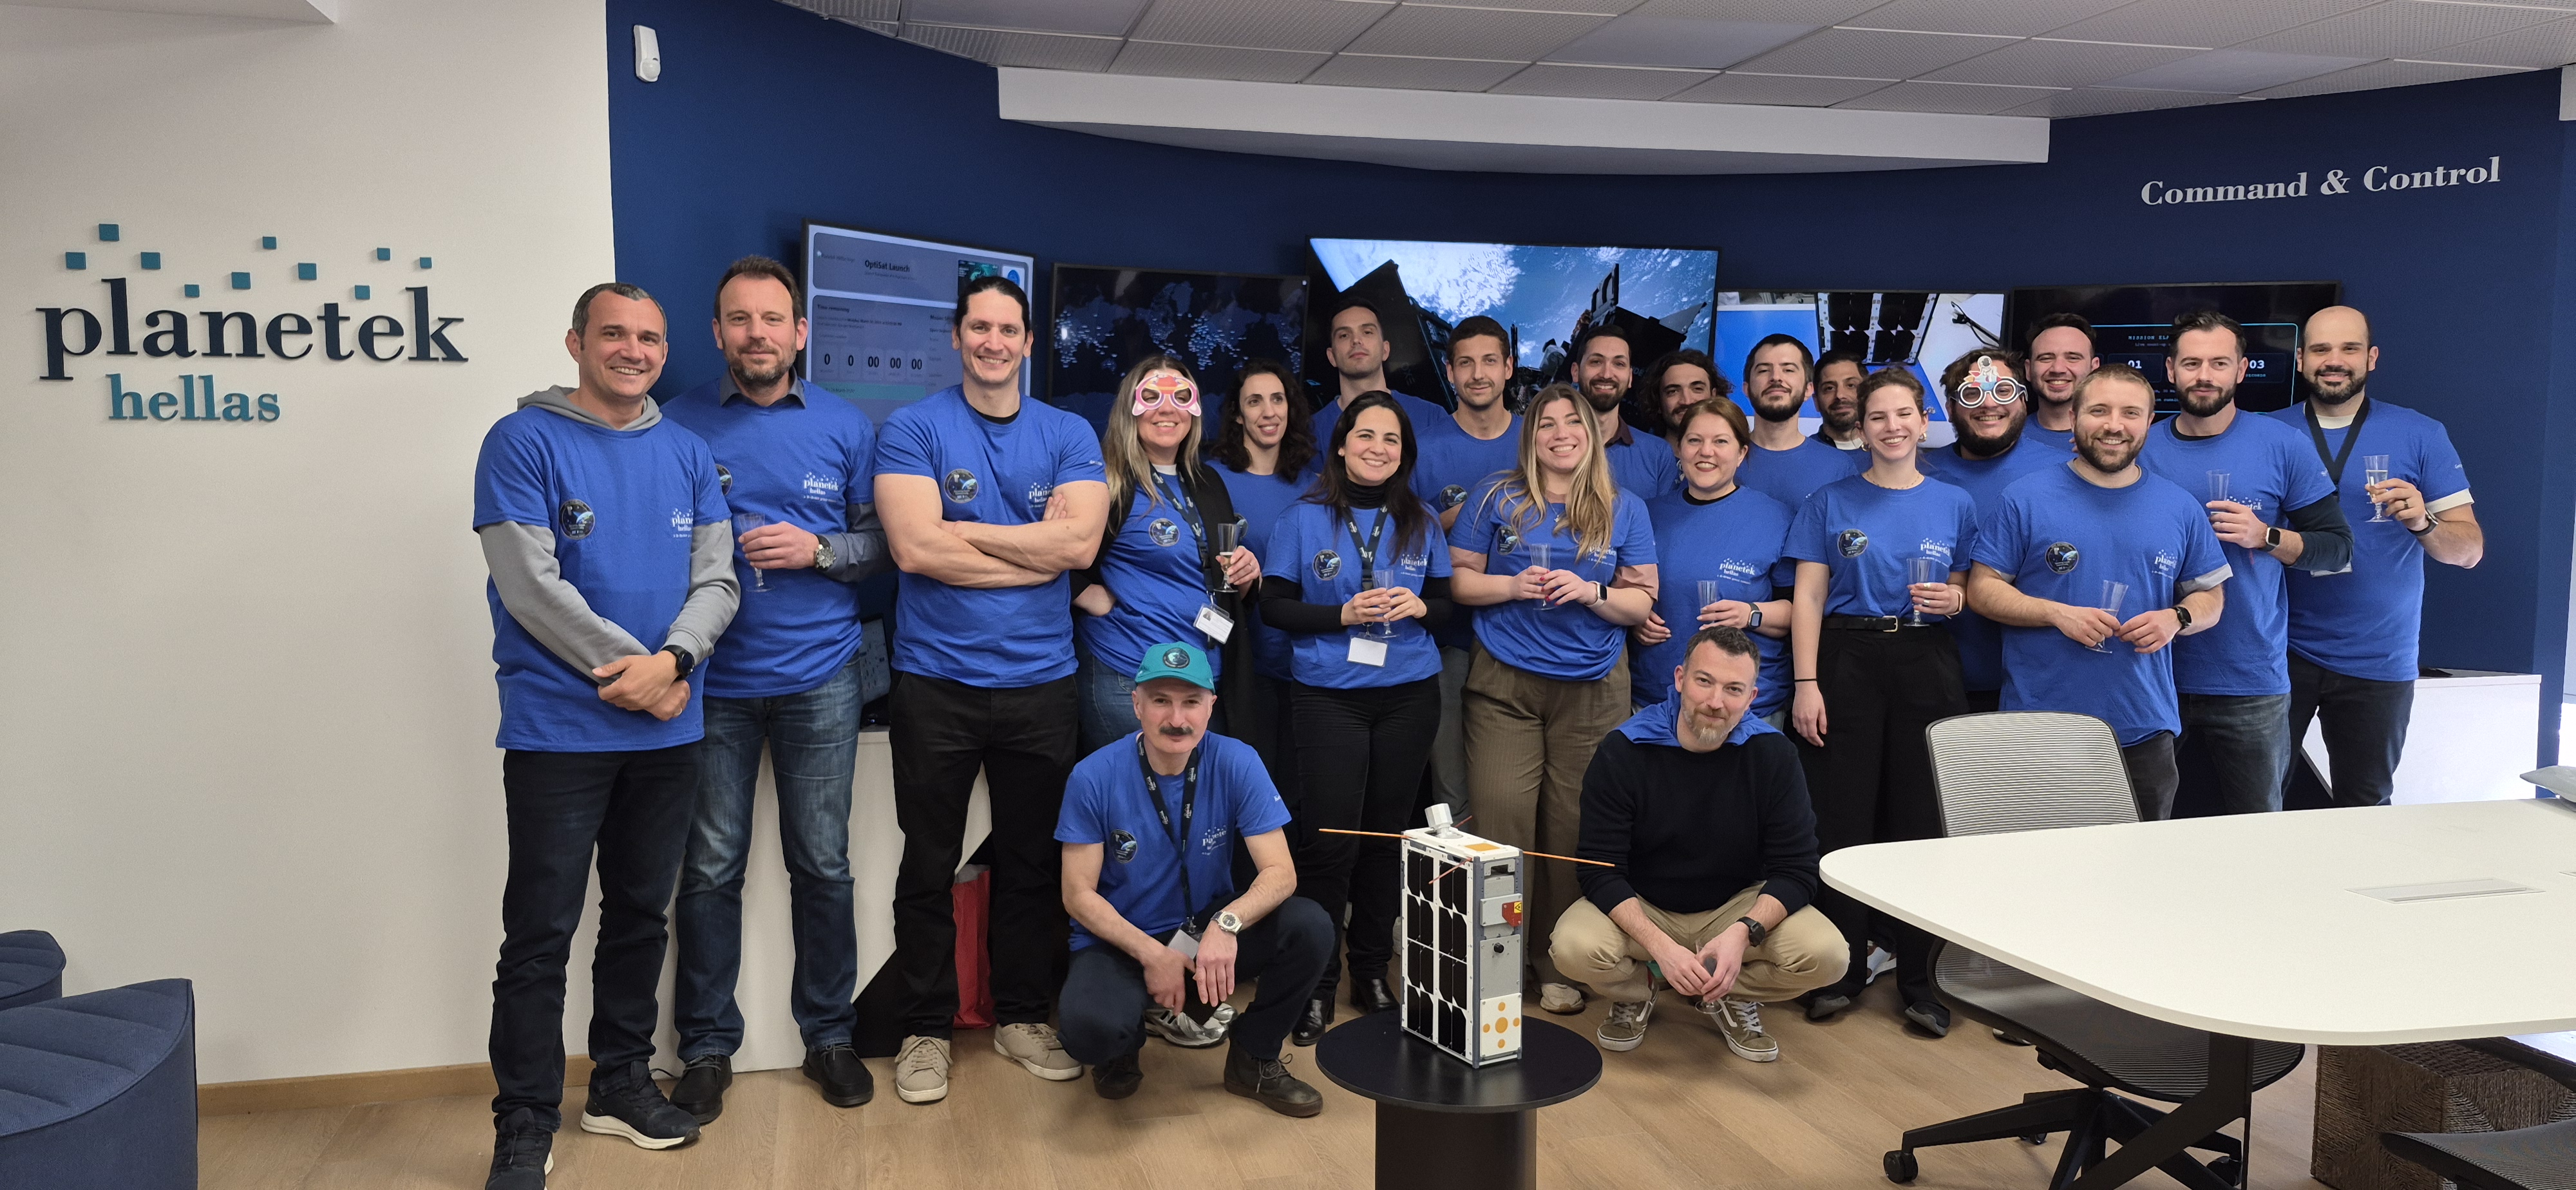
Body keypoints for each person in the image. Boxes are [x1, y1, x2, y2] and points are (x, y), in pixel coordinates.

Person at [473, 283, 737, 1189]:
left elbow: (718, 579)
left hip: (668, 733)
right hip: (559, 732)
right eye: (614, 334)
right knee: (539, 935)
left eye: (650, 338)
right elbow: (529, 585)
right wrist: (642, 674)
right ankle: (524, 1121)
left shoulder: (688, 451)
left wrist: (675, 662)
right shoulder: (522, 441)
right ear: (576, 343)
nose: (633, 350)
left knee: (638, 919)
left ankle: (620, 1083)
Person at [660, 257, 889, 1123]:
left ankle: (828, 1035)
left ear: (800, 332)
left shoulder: (846, 425)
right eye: (739, 319)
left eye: (771, 319)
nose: (756, 334)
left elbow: (884, 546)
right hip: (710, 681)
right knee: (708, 870)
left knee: (822, 866)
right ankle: (706, 1048)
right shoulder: (674, 422)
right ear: (717, 332)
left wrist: (818, 551)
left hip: (821, 679)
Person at [873, 275, 1108, 1104]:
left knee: (1031, 863)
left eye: (1009, 329)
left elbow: (1080, 549)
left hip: (1041, 685)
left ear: (1028, 342)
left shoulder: (1067, 432)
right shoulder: (913, 428)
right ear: (956, 336)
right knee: (928, 864)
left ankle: (1020, 1016)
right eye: (979, 327)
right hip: (935, 683)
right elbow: (913, 550)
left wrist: (967, 534)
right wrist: (1033, 555)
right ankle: (924, 1029)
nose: (993, 342)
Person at [1450, 384, 1660, 1015]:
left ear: (1592, 435)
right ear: (1530, 435)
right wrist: (1512, 586)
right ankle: (1498, 963)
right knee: (1501, 821)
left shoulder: (1624, 507)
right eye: (1547, 423)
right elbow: (1459, 581)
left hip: (1594, 689)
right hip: (1504, 683)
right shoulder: (1496, 495)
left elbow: (1641, 601)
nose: (1561, 433)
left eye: (1573, 422)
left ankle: (1555, 962)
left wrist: (1592, 592)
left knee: (1571, 832)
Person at [1054, 641, 1332, 1116]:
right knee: (1089, 1033)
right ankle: (1125, 1041)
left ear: (1211, 706)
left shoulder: (1237, 760)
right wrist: (1153, 956)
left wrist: (1227, 924)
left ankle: (1253, 1057)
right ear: (1136, 704)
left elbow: (1281, 874)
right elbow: (1077, 895)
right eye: (1161, 700)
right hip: (1122, 940)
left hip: (1201, 931)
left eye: (1191, 702)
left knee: (1310, 926)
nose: (1176, 718)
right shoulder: (1093, 775)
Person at [1551, 627, 1849, 1058]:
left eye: (1733, 689)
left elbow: (1797, 870)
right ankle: (1641, 989)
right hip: (1645, 905)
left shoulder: (1774, 755)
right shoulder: (1624, 749)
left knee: (1829, 956)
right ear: (1679, 679)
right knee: (1572, 949)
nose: (1715, 702)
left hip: (1735, 907)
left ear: (1751, 698)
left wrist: (1743, 934)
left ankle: (1726, 990)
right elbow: (1599, 870)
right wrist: (1661, 948)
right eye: (1704, 681)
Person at [1784, 367, 1975, 1036]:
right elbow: (1808, 597)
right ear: (1860, 430)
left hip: (1926, 659)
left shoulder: (1955, 503)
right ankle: (1842, 971)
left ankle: (1923, 980)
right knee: (1843, 820)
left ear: (1924, 423)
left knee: (1921, 822)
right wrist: (1806, 683)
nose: (1891, 427)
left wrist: (1956, 599)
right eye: (1877, 417)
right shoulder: (1828, 501)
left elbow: (1962, 588)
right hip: (1847, 658)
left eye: (1903, 415)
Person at [1258, 392, 1454, 1043]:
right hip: (1329, 696)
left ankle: (1370, 971)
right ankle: (1316, 984)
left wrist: (1422, 608)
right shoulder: (1302, 518)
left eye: (1391, 439)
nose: (1378, 448)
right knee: (1330, 843)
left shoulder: (1423, 521)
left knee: (1385, 838)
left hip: (1409, 695)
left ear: (1404, 453)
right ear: (1341, 445)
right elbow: (1274, 608)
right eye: (1365, 435)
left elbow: (1447, 605)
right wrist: (1341, 614)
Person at [1969, 364, 2231, 821]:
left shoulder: (2179, 507)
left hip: (2143, 728)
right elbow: (1982, 590)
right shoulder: (2024, 498)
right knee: (2038, 863)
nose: (2114, 425)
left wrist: (2177, 618)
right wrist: (2056, 613)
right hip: (2040, 726)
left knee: (2139, 864)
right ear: (2074, 417)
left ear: (2149, 422)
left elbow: (2211, 598)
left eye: (2130, 413)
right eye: (2099, 411)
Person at [2142, 311, 2353, 815]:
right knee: (2141, 829)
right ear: (2170, 370)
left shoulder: (2281, 445)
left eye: (2219, 363)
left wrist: (2267, 536)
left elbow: (2338, 549)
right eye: (2191, 363)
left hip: (2250, 679)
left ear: (2241, 370)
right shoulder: (2139, 446)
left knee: (2258, 831)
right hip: (2150, 675)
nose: (2204, 376)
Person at [2274, 305, 2483, 808]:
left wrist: (2424, 522)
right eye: (2321, 349)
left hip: (2378, 658)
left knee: (2365, 808)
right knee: (2257, 805)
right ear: (2301, 360)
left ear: (2371, 358)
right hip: (2278, 653)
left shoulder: (2421, 433)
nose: (2334, 360)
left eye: (2349, 348)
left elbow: (2469, 551)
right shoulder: (2267, 434)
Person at [1072, 356, 1262, 754]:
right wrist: (1089, 595)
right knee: (1133, 794)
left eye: (1181, 396)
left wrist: (1247, 576)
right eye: (1152, 396)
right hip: (1130, 675)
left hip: (1201, 677)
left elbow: (1217, 577)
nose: (1167, 408)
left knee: (1196, 794)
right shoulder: (1106, 480)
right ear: (1131, 407)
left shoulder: (1207, 481)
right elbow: (1050, 554)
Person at [1630, 399, 1795, 728]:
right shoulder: (1645, 515)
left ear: (1742, 453)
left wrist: (1750, 613)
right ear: (1679, 449)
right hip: (1656, 700)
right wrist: (1632, 617)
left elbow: (1801, 612)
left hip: (1745, 709)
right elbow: (1619, 592)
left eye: (1720, 441)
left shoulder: (1776, 518)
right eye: (1694, 440)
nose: (1706, 452)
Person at [1415, 316, 1522, 816]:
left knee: (1511, 793)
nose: (1478, 374)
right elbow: (1394, 541)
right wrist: (1453, 519)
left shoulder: (1539, 441)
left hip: (1526, 641)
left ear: (1509, 368)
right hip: (1448, 643)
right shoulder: (1422, 449)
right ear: (1450, 371)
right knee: (1453, 791)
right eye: (1466, 363)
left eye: (1489, 362)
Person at [1918, 350, 2061, 712]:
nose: (1988, 404)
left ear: (2024, 400)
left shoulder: (2065, 473)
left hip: (2042, 684)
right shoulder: (1918, 473)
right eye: (1972, 394)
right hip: (1933, 679)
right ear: (1950, 408)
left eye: (2003, 391)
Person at [1211, 359, 1317, 796]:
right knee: (1244, 790)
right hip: (1238, 660)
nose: (1269, 412)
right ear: (1237, 414)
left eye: (1278, 399)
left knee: (1296, 792)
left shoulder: (1317, 486)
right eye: (1254, 401)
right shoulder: (1210, 480)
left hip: (1304, 661)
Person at [1736, 334, 1864, 511]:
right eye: (1764, 370)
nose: (1776, 377)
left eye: (1788, 370)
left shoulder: (1839, 467)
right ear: (1747, 389)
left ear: (1808, 389)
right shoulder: (1723, 459)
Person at [1311, 294, 1452, 444]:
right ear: (1332, 356)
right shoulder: (1311, 433)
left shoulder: (1432, 418)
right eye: (1344, 335)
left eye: (1367, 332)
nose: (1356, 340)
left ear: (1385, 350)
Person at [1569, 323, 1681, 498]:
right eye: (1596, 362)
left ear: (1630, 377)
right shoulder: (1547, 444)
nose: (1607, 374)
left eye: (1618, 364)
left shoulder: (1657, 454)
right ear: (1576, 372)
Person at [2022, 314, 2097, 455]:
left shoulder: (2125, 443)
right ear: (2029, 370)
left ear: (2094, 369)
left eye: (2073, 358)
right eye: (2046, 358)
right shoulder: (2004, 439)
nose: (2058, 369)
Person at [1638, 348, 1732, 439]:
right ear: (1658, 402)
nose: (1687, 401)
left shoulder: (1734, 449)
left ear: (1714, 397)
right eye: (1673, 391)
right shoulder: (1643, 450)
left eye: (1697, 389)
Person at [1812, 349, 1868, 452]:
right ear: (1816, 402)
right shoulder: (1801, 456)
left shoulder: (1890, 452)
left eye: (1851, 385)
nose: (1840, 395)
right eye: (1829, 388)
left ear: (1868, 394)